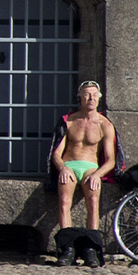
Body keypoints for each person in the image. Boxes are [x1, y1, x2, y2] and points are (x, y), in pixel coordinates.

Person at [52, 80, 117, 240]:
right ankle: (67, 245)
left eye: (94, 95)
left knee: (94, 202)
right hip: (69, 165)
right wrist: (63, 168)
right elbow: (56, 153)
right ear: (80, 97)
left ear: (99, 98)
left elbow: (111, 160)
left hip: (91, 168)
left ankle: (91, 245)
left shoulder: (105, 125)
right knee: (64, 201)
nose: (91, 98)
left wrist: (97, 174)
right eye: (87, 95)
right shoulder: (69, 121)